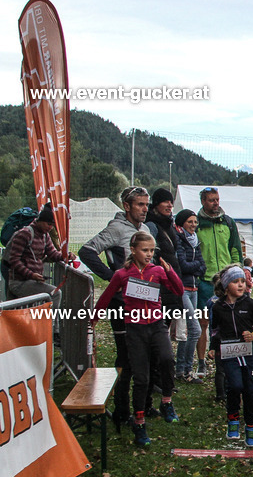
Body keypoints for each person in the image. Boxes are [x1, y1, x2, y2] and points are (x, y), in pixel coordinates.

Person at [93, 231, 183, 446]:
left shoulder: (158, 271)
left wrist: (170, 273)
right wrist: (94, 317)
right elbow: (106, 296)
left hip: (156, 325)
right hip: (135, 329)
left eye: (152, 250)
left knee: (167, 359)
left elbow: (178, 290)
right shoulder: (122, 274)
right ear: (133, 250)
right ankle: (139, 423)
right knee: (140, 378)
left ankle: (166, 401)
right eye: (145, 250)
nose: (149, 254)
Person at [79, 186, 150, 427]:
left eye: (146, 204)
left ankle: (143, 406)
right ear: (127, 206)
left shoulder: (147, 229)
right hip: (122, 304)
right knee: (126, 357)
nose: (145, 209)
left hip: (146, 302)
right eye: (140, 204)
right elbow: (86, 252)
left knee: (145, 354)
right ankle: (121, 410)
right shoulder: (116, 228)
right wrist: (113, 278)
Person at [208, 265, 253, 447]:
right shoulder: (218, 307)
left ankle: (251, 426)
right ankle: (233, 420)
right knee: (234, 386)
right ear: (226, 286)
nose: (241, 285)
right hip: (228, 354)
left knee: (249, 390)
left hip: (248, 354)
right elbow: (215, 330)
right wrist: (212, 348)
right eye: (235, 282)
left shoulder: (250, 304)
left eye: (243, 281)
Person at [195, 186, 244, 380]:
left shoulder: (228, 222)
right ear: (203, 202)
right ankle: (201, 363)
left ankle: (232, 360)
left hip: (225, 281)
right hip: (204, 280)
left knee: (230, 322)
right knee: (203, 323)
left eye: (217, 199)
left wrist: (237, 272)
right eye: (211, 200)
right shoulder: (196, 223)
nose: (215, 203)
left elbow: (235, 249)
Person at [6, 204, 74, 311]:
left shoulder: (45, 235)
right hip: (20, 282)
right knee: (55, 293)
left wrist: (66, 256)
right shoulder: (24, 234)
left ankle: (44, 325)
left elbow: (53, 254)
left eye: (52, 225)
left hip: (32, 281)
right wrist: (31, 274)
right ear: (40, 221)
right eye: (48, 224)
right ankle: (52, 325)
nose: (50, 227)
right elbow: (14, 260)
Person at [174, 209, 206, 382]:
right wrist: (196, 267)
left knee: (188, 332)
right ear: (182, 223)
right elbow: (183, 266)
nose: (193, 225)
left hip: (194, 288)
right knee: (195, 329)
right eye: (190, 222)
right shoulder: (178, 239)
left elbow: (203, 266)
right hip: (182, 288)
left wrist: (195, 267)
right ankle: (185, 370)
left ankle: (181, 370)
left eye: (195, 222)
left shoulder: (195, 242)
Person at [145, 188, 184, 316]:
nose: (170, 205)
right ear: (156, 204)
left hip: (171, 279)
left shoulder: (169, 226)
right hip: (159, 281)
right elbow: (149, 255)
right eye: (165, 202)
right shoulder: (151, 226)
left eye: (171, 202)